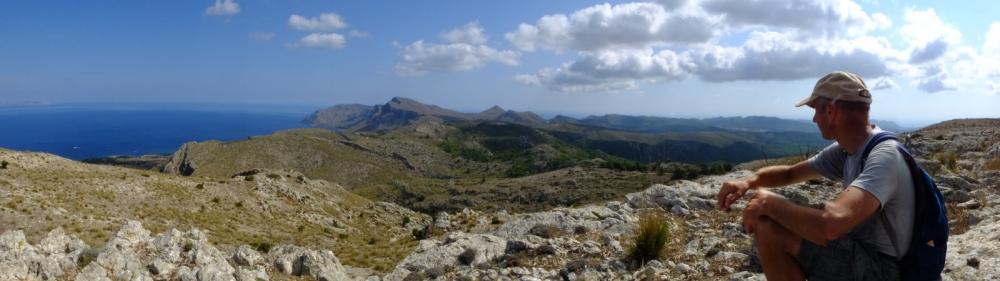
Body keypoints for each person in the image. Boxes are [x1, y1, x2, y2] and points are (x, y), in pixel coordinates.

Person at [716, 71, 914, 281]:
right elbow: (789, 174)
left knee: (769, 228)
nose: (813, 119)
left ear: (830, 110)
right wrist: (748, 182)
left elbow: (831, 225)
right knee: (774, 222)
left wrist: (767, 203)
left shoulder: (885, 156)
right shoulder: (851, 149)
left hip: (887, 270)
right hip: (865, 254)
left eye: (815, 110)